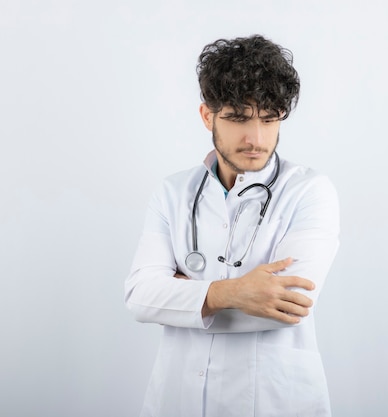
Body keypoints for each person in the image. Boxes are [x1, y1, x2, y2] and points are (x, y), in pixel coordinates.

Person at [125, 34, 340, 417]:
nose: (256, 139)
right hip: (178, 399)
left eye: (269, 119)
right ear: (207, 115)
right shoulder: (173, 192)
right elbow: (140, 296)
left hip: (275, 401)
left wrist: (187, 297)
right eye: (238, 118)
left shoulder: (310, 191)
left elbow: (290, 305)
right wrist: (235, 293)